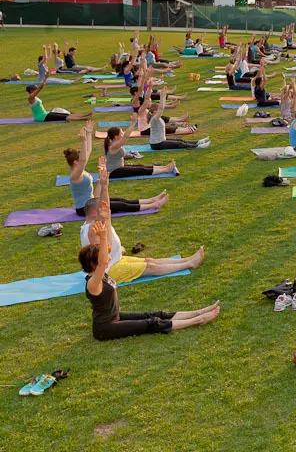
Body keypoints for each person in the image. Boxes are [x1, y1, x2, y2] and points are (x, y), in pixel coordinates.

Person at [80, 169, 219, 341]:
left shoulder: (100, 272)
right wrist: (101, 237)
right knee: (151, 323)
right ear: (95, 264)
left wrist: (105, 189)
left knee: (156, 314)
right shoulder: (94, 282)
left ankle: (199, 311)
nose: (107, 256)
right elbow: (102, 261)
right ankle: (199, 320)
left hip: (114, 317)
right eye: (103, 257)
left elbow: (105, 245)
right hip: (105, 329)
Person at [81, 157, 202, 283]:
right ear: (95, 213)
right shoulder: (92, 228)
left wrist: (103, 184)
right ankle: (189, 264)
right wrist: (104, 187)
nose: (106, 208)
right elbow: (102, 204)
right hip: (110, 270)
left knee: (149, 261)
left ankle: (187, 259)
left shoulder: (91, 221)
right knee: (151, 267)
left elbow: (98, 199)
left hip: (116, 260)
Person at [65, 123, 168, 216]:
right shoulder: (75, 175)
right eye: (81, 158)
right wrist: (83, 141)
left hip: (92, 201)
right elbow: (83, 158)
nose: (84, 158)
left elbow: (88, 150)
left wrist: (88, 133)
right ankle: (154, 205)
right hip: (84, 209)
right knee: (121, 206)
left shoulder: (80, 170)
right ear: (75, 162)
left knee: (121, 200)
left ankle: (152, 200)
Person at [104, 116, 178, 179]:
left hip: (118, 168)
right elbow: (126, 137)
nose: (123, 133)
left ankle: (165, 167)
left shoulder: (113, 143)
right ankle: (167, 170)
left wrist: (130, 155)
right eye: (121, 132)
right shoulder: (113, 145)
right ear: (116, 136)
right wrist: (133, 123)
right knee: (141, 170)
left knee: (141, 166)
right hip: (114, 172)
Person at [26, 74, 91, 122]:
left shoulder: (34, 97)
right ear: (31, 90)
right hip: (41, 117)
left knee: (65, 114)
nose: (36, 89)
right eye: (35, 89)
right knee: (65, 117)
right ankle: (84, 118)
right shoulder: (30, 97)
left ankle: (84, 115)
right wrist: (45, 78)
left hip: (45, 114)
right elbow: (40, 88)